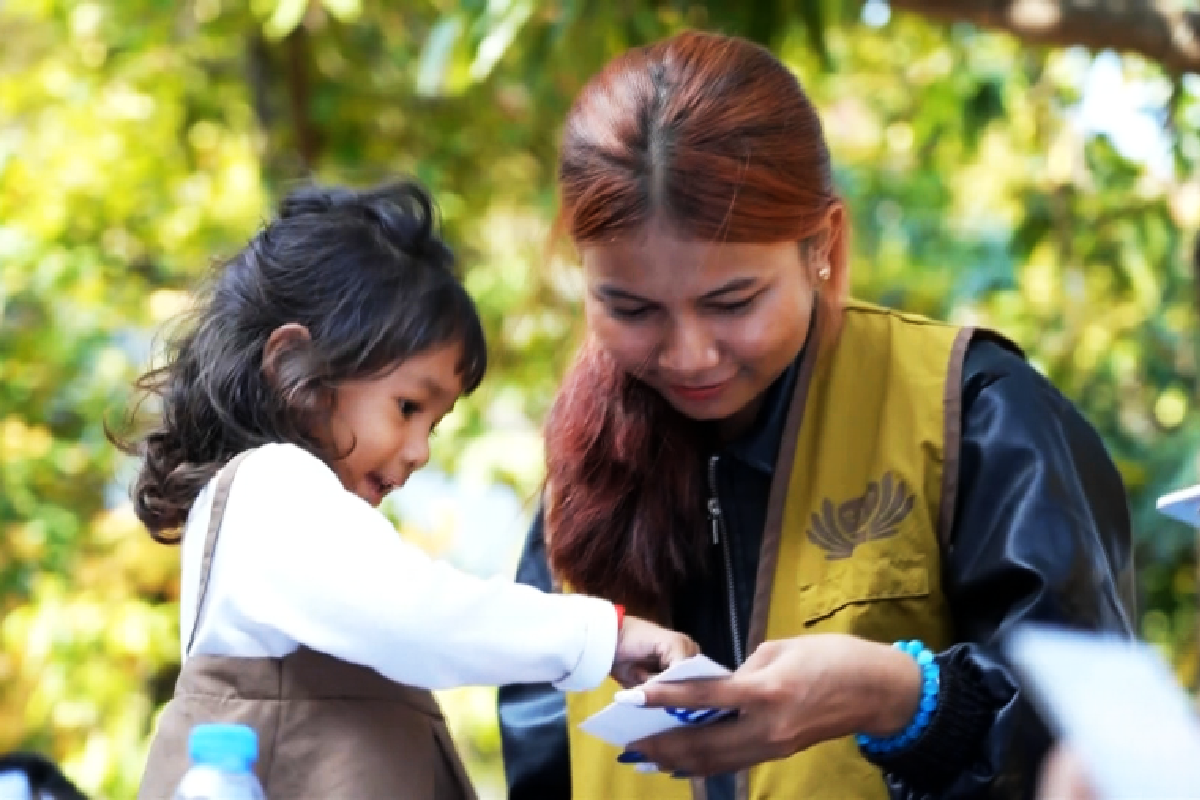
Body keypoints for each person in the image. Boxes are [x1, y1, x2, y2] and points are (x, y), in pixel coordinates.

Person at [497, 30, 1136, 800]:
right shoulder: (580, 472)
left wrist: (906, 701)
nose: (690, 355)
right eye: (631, 308)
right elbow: (542, 745)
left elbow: (1100, 743)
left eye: (733, 302)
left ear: (822, 244)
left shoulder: (972, 412)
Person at [115, 181, 698, 799]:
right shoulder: (272, 489)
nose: (420, 450)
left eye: (435, 424)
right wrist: (601, 636)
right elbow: (415, 614)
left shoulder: (284, 514)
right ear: (295, 371)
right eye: (408, 406)